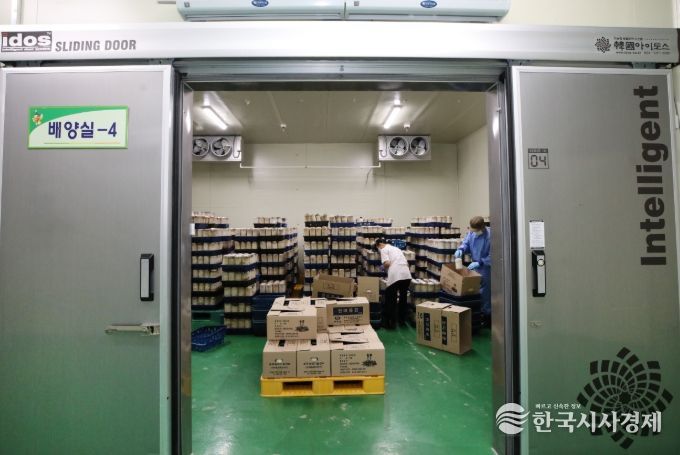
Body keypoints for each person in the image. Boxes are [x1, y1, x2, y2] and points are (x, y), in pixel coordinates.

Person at [455, 216, 491, 322]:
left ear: (482, 228)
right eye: (472, 230)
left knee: (485, 292)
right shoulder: (472, 233)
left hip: (486, 267)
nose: (473, 232)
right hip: (475, 266)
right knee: (475, 290)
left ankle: (486, 315)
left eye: (475, 231)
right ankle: (477, 313)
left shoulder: (491, 236)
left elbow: (494, 254)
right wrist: (461, 249)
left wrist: (480, 262)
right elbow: (466, 243)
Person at [375, 238, 412, 329]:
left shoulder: (383, 249)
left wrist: (382, 267)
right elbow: (407, 263)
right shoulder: (396, 249)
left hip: (396, 275)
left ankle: (390, 323)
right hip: (406, 275)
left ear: (379, 245)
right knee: (403, 298)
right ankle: (402, 321)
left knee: (391, 298)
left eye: (377, 248)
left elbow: (387, 263)